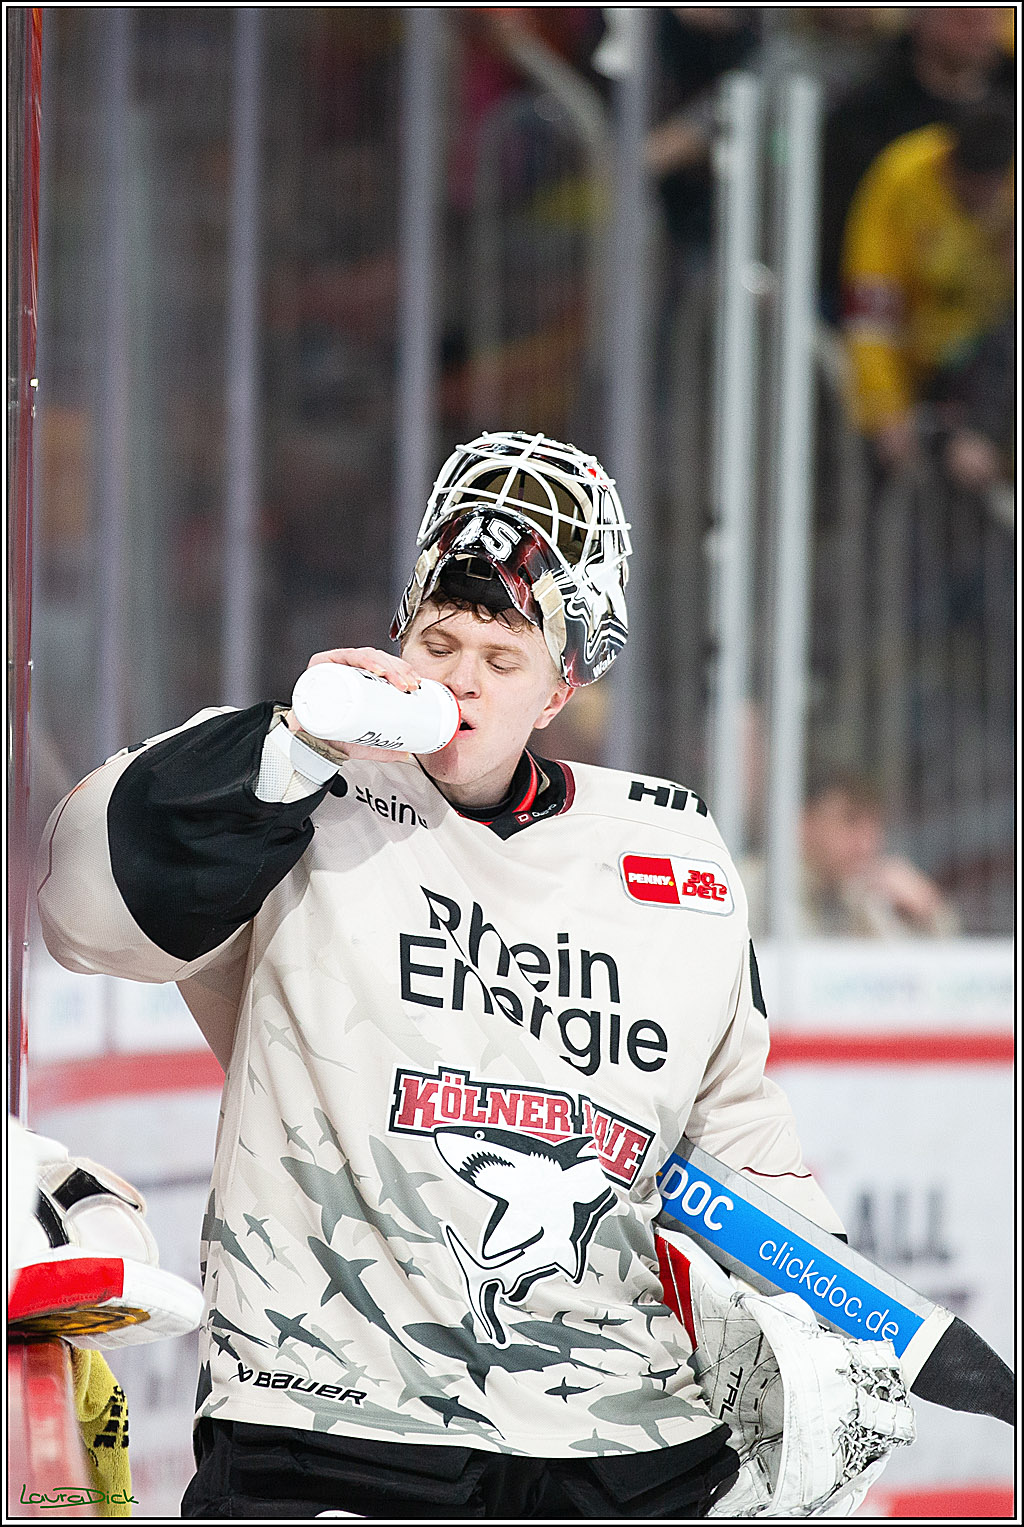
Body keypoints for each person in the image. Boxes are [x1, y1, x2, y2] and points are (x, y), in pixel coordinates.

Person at [40, 432, 865, 1519]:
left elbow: (735, 1141)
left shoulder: (673, 850)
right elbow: (79, 909)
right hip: (330, 1419)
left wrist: (821, 1318)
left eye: (502, 658)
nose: (460, 680)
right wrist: (287, 752)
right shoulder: (293, 781)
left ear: (561, 688)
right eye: (440, 640)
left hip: (622, 1442)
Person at [840, 98, 1014, 485]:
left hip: (989, 360)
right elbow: (871, 305)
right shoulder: (902, 178)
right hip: (918, 357)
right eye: (975, 191)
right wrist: (884, 408)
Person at [819, 5, 1014, 321]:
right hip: (887, 299)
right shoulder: (865, 115)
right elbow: (843, 248)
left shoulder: (1010, 95)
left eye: (990, 19)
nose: (979, 30)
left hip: (994, 318)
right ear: (919, 19)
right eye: (964, 18)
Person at [745, 769, 959, 940]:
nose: (866, 843)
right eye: (850, 821)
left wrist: (927, 910)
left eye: (874, 826)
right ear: (803, 823)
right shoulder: (748, 890)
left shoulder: (862, 894)